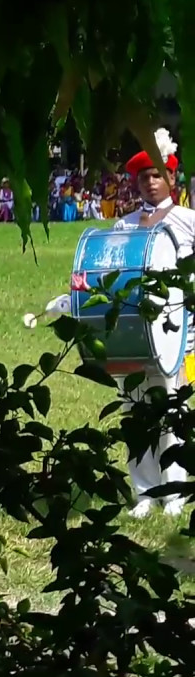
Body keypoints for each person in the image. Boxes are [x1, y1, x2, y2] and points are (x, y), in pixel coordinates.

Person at [111, 129, 193, 516]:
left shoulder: (189, 220)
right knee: (135, 410)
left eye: (157, 174)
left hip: (177, 332)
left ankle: (175, 492)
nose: (150, 181)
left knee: (172, 412)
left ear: (172, 178)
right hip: (131, 333)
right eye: (143, 176)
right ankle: (144, 491)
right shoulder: (124, 225)